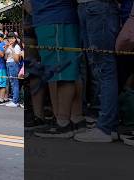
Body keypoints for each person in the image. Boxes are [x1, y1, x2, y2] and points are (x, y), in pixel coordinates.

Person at [30, 0, 85, 138]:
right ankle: (75, 119)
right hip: (53, 17)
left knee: (63, 72)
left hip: (55, 17)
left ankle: (63, 123)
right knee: (69, 71)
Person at [74, 0, 120, 142]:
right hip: (92, 7)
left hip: (98, 7)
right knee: (99, 69)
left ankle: (105, 128)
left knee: (104, 69)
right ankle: (108, 126)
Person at [4, 32, 22, 108]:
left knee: (15, 83)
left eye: (12, 38)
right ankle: (14, 99)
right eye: (9, 38)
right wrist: (6, 49)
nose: (11, 39)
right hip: (8, 63)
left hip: (13, 64)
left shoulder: (17, 46)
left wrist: (12, 49)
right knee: (12, 82)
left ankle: (15, 101)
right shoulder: (9, 46)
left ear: (15, 38)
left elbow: (17, 60)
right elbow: (5, 58)